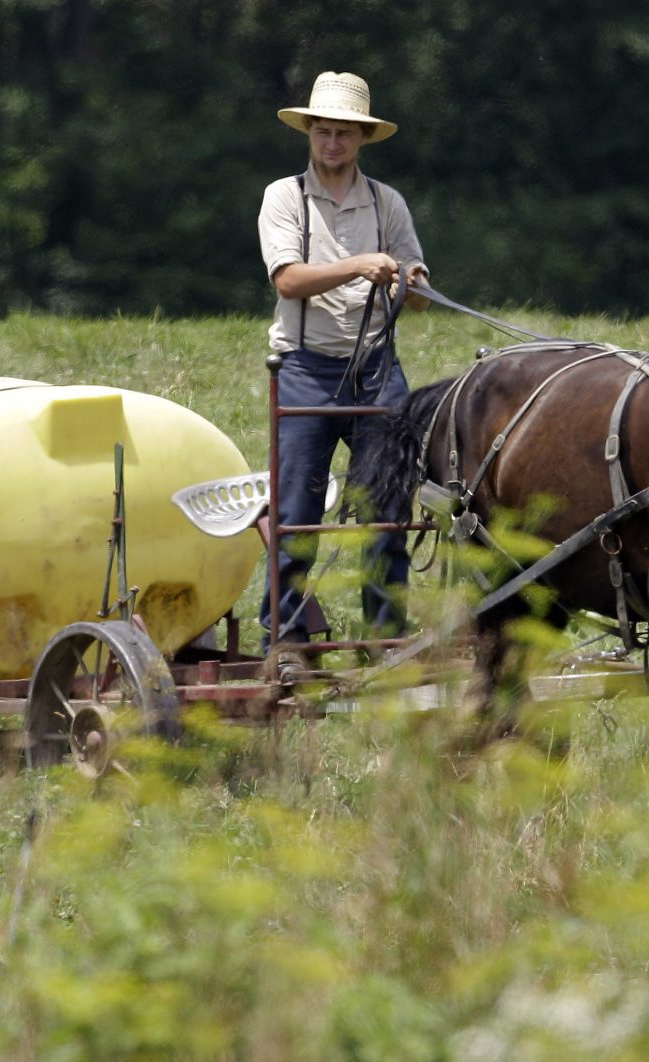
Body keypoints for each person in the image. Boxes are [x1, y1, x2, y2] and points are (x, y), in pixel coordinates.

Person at [258, 70, 429, 651]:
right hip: (305, 369)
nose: (332, 143)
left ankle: (385, 641)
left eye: (344, 134)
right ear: (309, 133)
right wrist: (361, 264)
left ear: (362, 139)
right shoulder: (284, 197)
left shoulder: (388, 202)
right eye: (323, 132)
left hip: (378, 370)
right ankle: (284, 642)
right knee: (297, 515)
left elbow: (418, 285)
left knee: (387, 513)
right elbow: (287, 281)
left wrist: (413, 280)